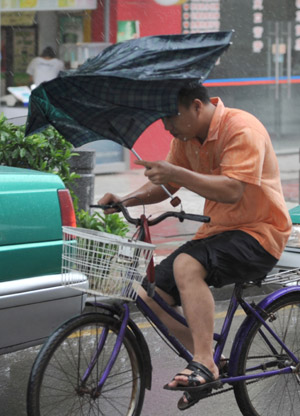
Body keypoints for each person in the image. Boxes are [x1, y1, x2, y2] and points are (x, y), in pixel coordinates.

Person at [98, 81, 292, 410]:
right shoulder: (186, 139)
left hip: (260, 234)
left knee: (187, 265)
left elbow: (232, 190)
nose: (166, 127)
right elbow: (167, 184)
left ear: (197, 107)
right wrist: (125, 199)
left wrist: (177, 173)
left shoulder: (242, 129)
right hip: (218, 233)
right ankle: (211, 358)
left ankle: (204, 362)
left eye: (171, 118)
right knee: (146, 294)